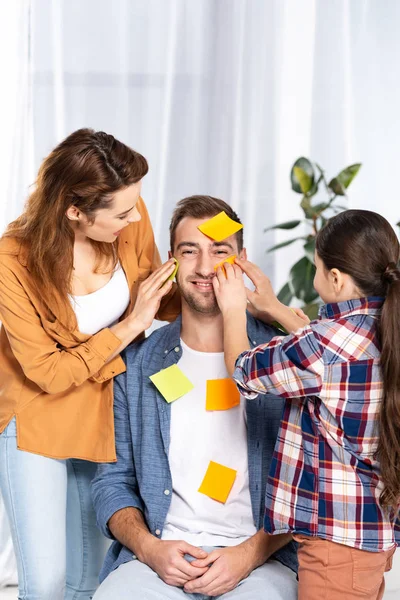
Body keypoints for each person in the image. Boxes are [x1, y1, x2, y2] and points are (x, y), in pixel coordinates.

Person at [0, 128, 180, 600]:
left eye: (135, 204)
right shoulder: (13, 258)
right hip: (36, 415)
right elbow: (47, 372)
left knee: (88, 581)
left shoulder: (129, 224)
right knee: (46, 583)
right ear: (74, 211)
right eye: (121, 212)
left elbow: (163, 303)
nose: (136, 216)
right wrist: (129, 325)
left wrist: (204, 259)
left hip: (103, 409)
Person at [91, 195, 299, 599]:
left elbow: (310, 481)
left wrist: (249, 554)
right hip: (156, 560)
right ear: (171, 260)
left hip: (259, 562)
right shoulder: (135, 364)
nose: (205, 268)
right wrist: (150, 549)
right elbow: (112, 484)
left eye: (219, 251)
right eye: (190, 251)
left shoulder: (281, 360)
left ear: (241, 260)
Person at [213, 209, 400, 600]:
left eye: (316, 268)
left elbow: (244, 369)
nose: (314, 279)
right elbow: (335, 359)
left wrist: (232, 309)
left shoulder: (323, 347)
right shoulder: (385, 327)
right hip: (369, 535)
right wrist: (276, 309)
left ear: (335, 278)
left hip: (336, 549)